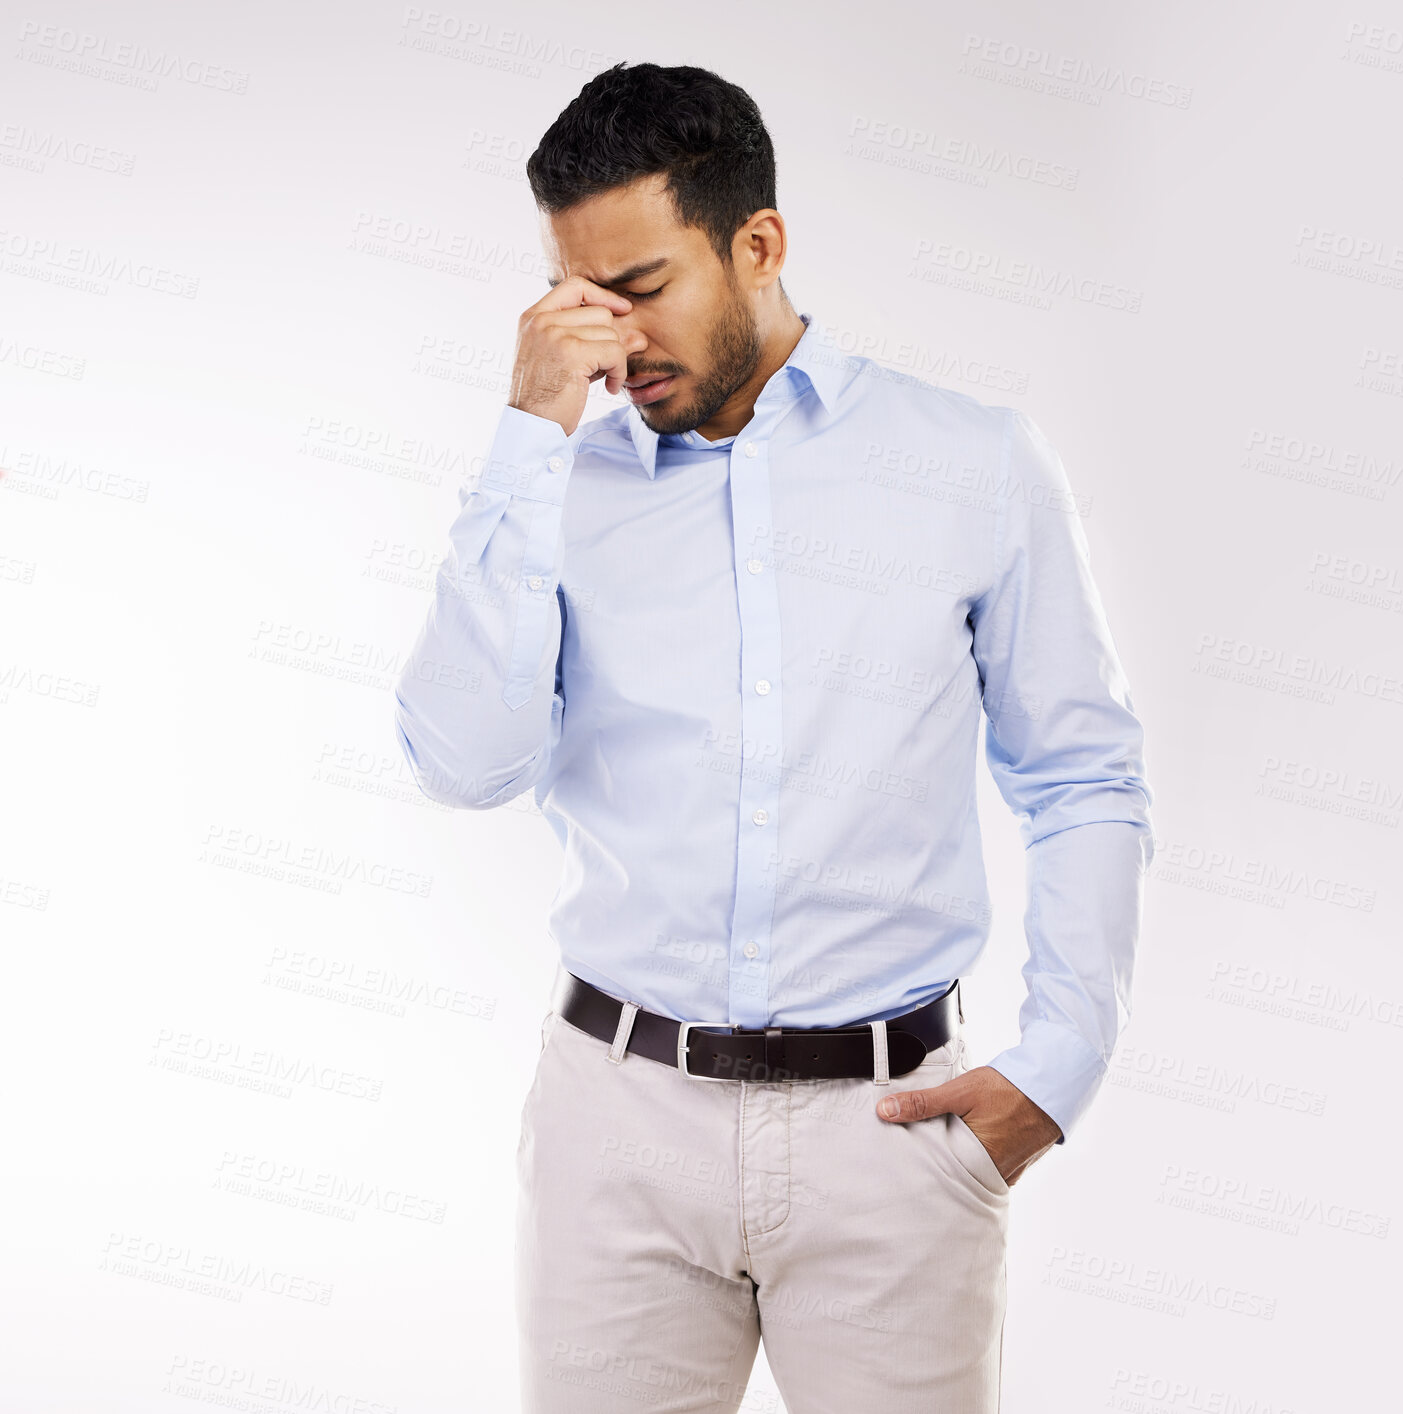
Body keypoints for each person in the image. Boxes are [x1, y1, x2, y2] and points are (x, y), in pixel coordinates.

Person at [393, 60, 1153, 1414]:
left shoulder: (972, 462)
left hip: (889, 1133)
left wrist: (1056, 1065)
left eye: (638, 291)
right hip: (614, 1126)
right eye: (577, 298)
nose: (612, 344)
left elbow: (1080, 771)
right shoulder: (553, 484)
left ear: (759, 243)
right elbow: (463, 762)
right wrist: (524, 437)